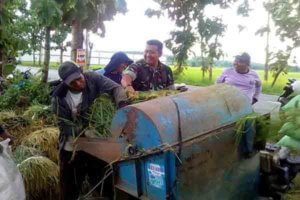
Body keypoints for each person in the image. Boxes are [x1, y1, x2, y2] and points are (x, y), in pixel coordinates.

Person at [51, 61, 129, 200]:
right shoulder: (59, 98)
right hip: (73, 147)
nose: (79, 84)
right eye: (72, 83)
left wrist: (123, 105)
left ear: (81, 72)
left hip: (96, 144)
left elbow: (116, 89)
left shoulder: (92, 78)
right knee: (70, 185)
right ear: (64, 83)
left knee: (103, 180)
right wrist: (85, 130)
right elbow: (64, 126)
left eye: (79, 79)